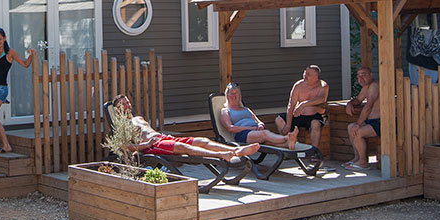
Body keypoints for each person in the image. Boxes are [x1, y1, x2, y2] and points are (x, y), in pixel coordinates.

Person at [111, 95, 260, 162]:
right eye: (123, 104)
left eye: (128, 102)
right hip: (152, 146)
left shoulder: (138, 118)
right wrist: (145, 145)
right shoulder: (121, 126)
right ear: (117, 109)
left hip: (162, 138)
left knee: (202, 140)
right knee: (184, 148)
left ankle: (235, 150)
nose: (127, 105)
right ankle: (223, 155)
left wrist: (162, 137)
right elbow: (124, 145)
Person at [0, 28, 37, 161]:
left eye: (0, 39)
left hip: (1, 89)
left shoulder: (10, 53)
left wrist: (31, 55)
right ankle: (6, 145)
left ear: (4, 38)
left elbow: (25, 64)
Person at [220, 83, 299, 149]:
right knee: (265, 134)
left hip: (256, 130)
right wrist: (251, 128)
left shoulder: (246, 109)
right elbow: (230, 128)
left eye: (236, 93)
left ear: (239, 95)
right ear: (227, 95)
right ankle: (287, 138)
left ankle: (287, 145)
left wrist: (260, 125)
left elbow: (258, 121)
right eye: (231, 93)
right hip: (242, 134)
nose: (234, 96)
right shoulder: (225, 111)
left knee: (267, 141)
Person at [274, 65, 329, 149]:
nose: (305, 76)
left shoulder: (323, 85)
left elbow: (321, 99)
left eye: (308, 74)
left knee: (316, 124)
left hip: (313, 116)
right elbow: (291, 105)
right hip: (298, 115)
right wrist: (288, 124)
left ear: (316, 77)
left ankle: (314, 151)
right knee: (279, 119)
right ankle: (291, 146)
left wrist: (303, 104)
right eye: (305, 73)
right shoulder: (298, 85)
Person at [344, 66, 381, 170]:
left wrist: (358, 124)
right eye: (359, 76)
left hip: (381, 122)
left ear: (371, 75)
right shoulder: (366, 88)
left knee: (357, 131)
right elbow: (358, 99)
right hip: (371, 121)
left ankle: (363, 162)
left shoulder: (374, 86)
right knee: (350, 127)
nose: (361, 78)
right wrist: (350, 103)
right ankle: (357, 158)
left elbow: (368, 106)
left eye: (363, 75)